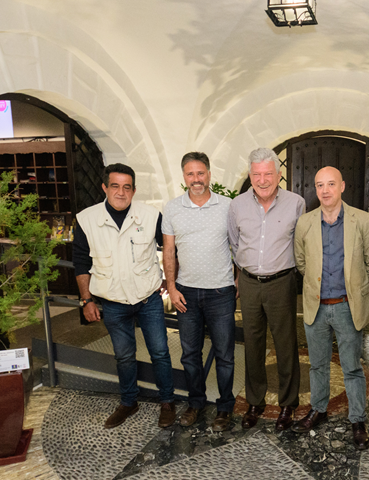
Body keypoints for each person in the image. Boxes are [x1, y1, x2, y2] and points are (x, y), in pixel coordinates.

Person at [72, 163, 176, 430]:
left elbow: (170, 250)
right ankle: (129, 402)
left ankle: (167, 402)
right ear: (105, 187)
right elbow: (81, 262)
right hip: (113, 303)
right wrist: (86, 300)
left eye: (126, 187)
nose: (121, 192)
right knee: (124, 356)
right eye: (115, 186)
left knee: (161, 353)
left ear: (134, 190)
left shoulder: (151, 216)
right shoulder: (86, 219)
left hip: (148, 299)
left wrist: (169, 281)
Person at [292, 167, 369, 449]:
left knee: (352, 367)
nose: (325, 190)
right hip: (316, 307)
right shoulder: (305, 223)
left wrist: (354, 287)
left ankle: (357, 419)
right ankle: (318, 409)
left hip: (346, 306)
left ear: (342, 186)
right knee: (317, 365)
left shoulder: (363, 220)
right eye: (320, 185)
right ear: (315, 189)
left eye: (331, 184)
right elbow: (301, 263)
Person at [228, 148, 305, 431]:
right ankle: (255, 401)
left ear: (279, 174)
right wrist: (244, 271)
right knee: (253, 344)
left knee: (286, 345)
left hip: (282, 282)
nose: (262, 180)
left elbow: (300, 243)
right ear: (250, 175)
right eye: (257, 174)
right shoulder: (237, 205)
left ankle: (288, 403)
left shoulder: (296, 203)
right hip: (248, 283)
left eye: (268, 174)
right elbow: (235, 244)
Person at [162, 152, 237, 432]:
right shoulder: (172, 209)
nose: (196, 179)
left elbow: (239, 245)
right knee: (189, 354)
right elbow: (169, 250)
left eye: (201, 173)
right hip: (186, 294)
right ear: (184, 177)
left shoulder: (228, 206)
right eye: (190, 174)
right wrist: (171, 287)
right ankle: (196, 403)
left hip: (220, 293)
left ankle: (225, 407)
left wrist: (238, 278)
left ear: (209, 174)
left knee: (225, 355)